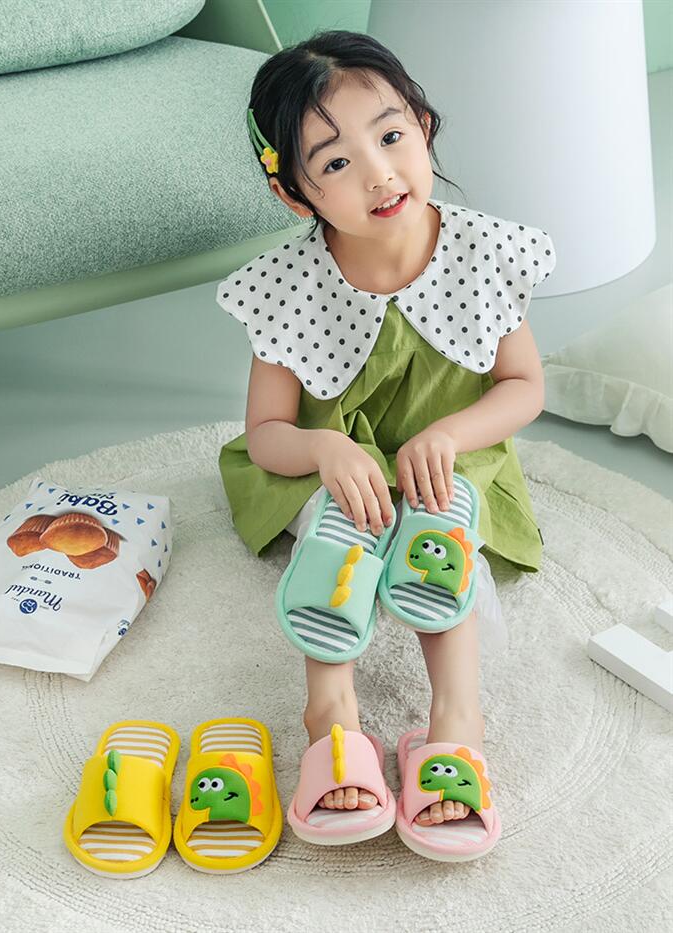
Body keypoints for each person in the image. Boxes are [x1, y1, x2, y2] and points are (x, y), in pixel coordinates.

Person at [216, 30, 555, 830]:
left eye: (391, 136)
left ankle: (457, 720)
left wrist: (450, 436)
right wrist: (324, 446)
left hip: (449, 457)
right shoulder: (287, 286)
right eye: (335, 162)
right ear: (295, 195)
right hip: (334, 466)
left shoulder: (483, 251)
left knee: (441, 533)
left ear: (423, 126)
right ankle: (331, 713)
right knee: (342, 530)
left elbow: (525, 386)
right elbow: (266, 432)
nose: (378, 172)